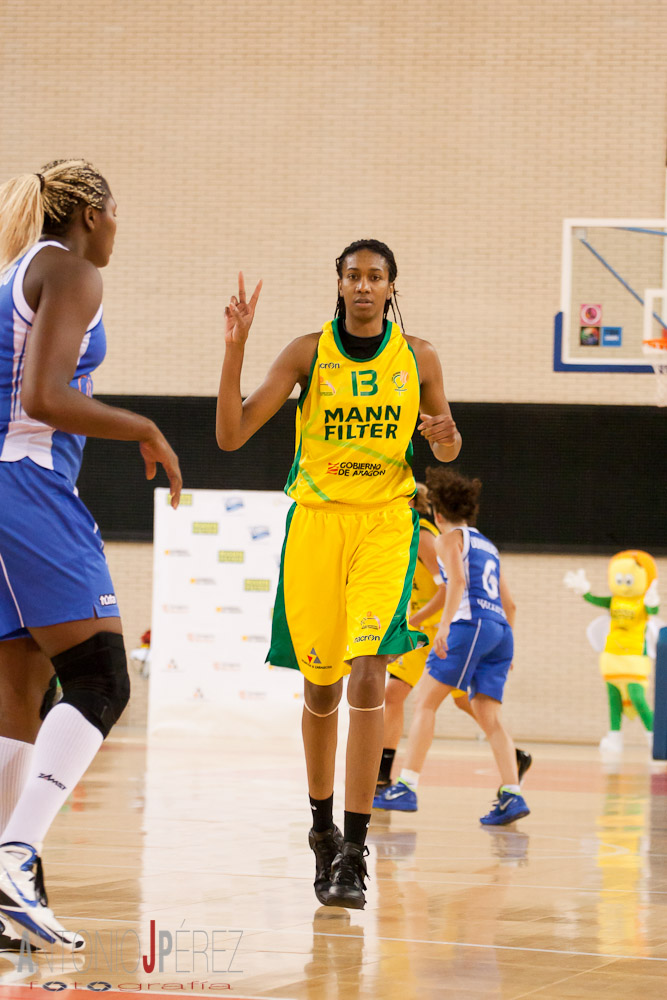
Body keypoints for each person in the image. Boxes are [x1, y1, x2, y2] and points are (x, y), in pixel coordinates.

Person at [216, 239, 461, 908]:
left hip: (384, 525)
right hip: (317, 527)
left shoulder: (419, 357)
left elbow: (447, 444)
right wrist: (236, 346)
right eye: (353, 275)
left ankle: (354, 851)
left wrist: (445, 437)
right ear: (339, 283)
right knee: (321, 691)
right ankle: (321, 828)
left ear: (391, 287)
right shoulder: (307, 352)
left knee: (369, 674)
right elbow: (231, 435)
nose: (363, 285)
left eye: (375, 276)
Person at [0, 160, 182, 949]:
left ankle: (4, 887)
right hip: (27, 485)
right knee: (102, 677)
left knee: (20, 688)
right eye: (116, 213)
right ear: (92, 212)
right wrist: (142, 426)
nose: (117, 229)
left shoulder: (15, 272)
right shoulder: (71, 271)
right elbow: (43, 398)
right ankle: (15, 857)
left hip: (9, 487)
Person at [374, 467, 530, 825]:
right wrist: (508, 647)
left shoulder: (446, 539)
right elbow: (511, 604)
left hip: (469, 625)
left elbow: (456, 583)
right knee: (488, 716)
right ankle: (512, 793)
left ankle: (406, 785)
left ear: (438, 513)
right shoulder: (488, 545)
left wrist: (444, 626)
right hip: (500, 632)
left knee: (425, 702)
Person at [375, 483, 476, 794]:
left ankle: (383, 777)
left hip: (438, 628)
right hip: (427, 627)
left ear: (407, 502)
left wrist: (413, 621)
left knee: (458, 700)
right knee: (399, 695)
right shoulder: (405, 533)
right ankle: (382, 776)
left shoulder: (423, 536)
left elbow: (446, 588)